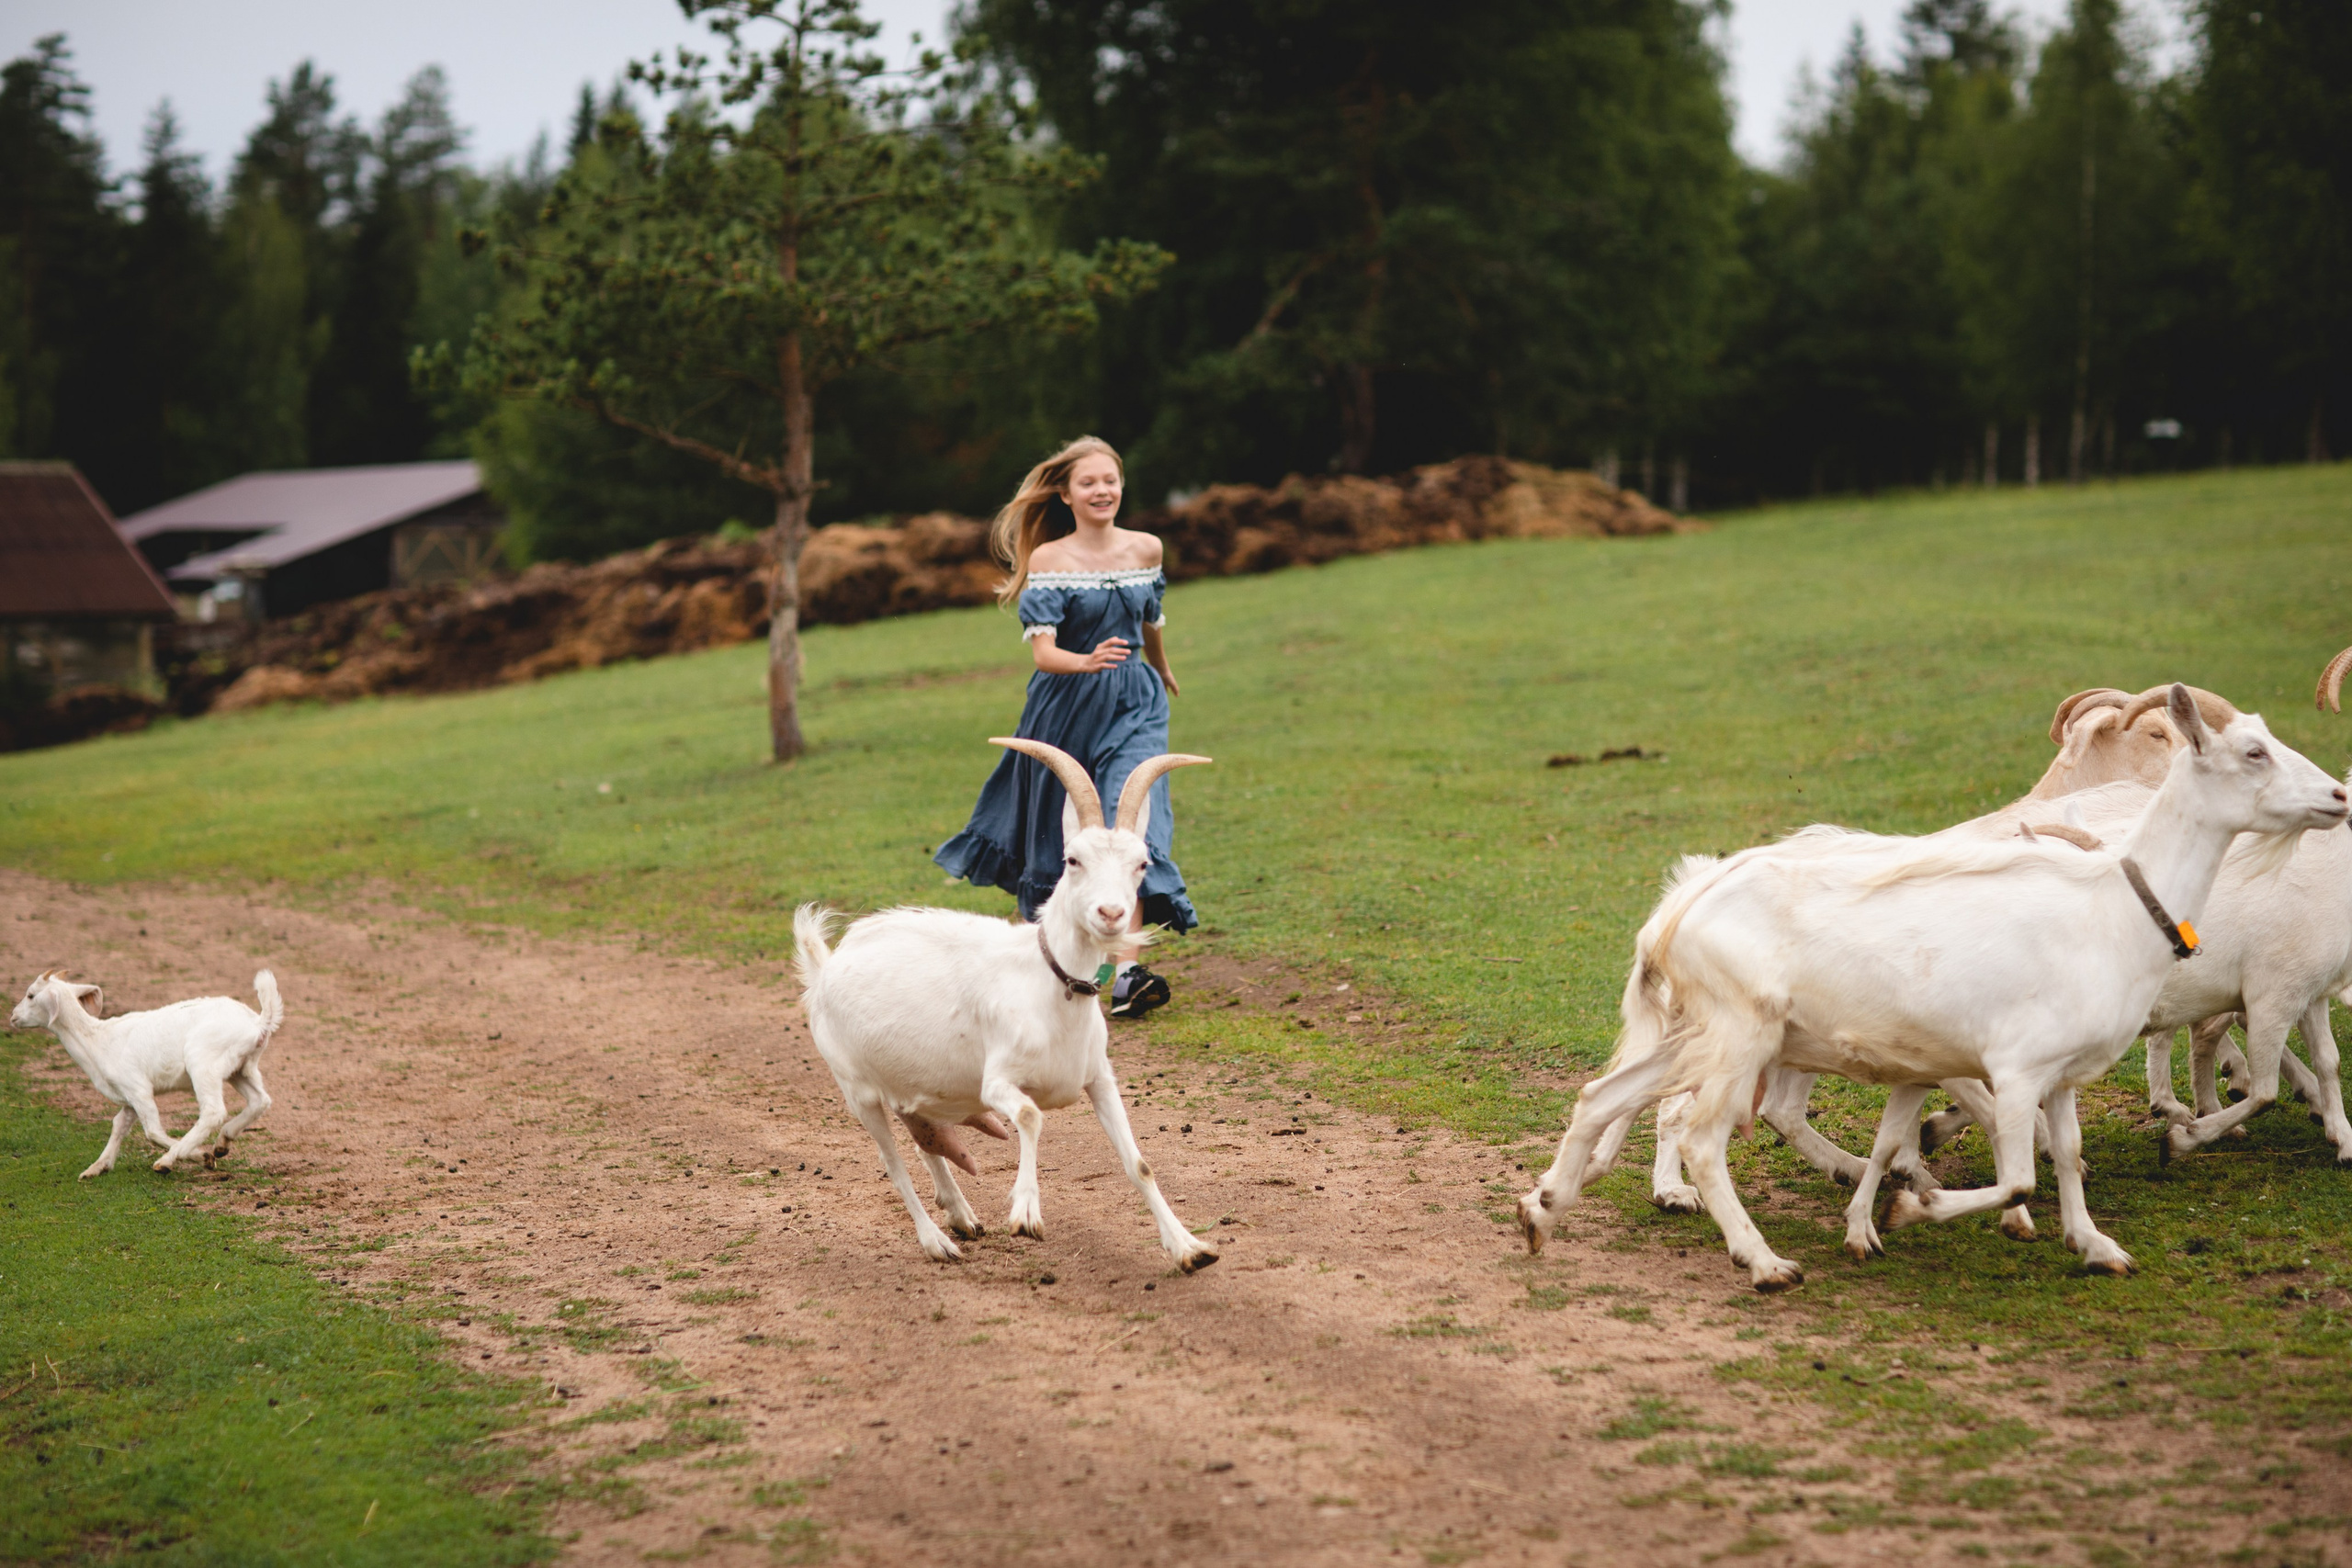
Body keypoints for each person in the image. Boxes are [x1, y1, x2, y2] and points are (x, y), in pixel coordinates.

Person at [933, 435, 1193, 1018]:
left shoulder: (1146, 547)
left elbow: (1150, 620)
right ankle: (1059, 965)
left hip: (1136, 702)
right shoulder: (1051, 560)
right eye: (1089, 483)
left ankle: (1126, 974)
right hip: (1067, 704)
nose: (1103, 491)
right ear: (1066, 493)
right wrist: (1087, 661)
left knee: (1130, 824)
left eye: (1110, 480)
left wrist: (1163, 668)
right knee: (1074, 830)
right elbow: (1044, 654)